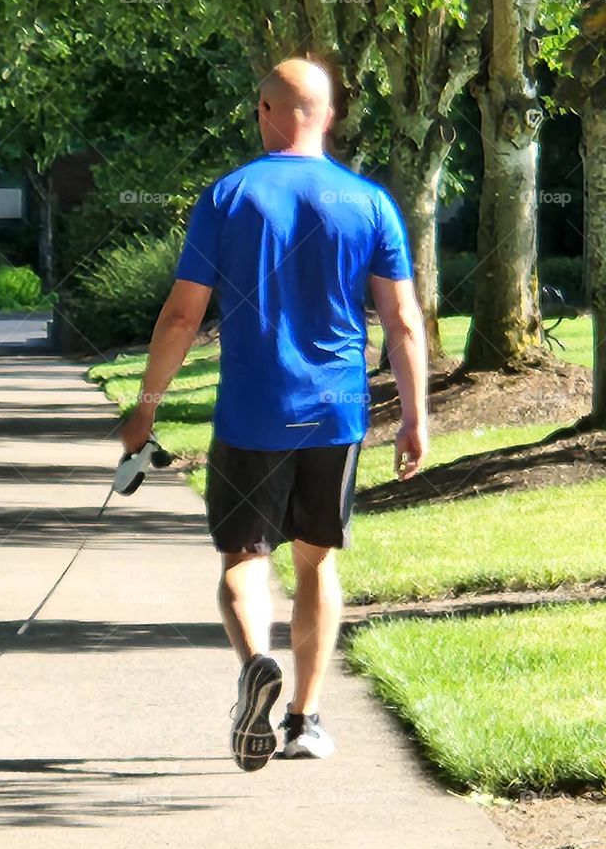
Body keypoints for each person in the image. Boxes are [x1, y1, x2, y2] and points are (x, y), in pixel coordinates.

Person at [119, 58, 428, 772]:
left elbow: (180, 317)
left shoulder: (229, 196)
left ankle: (257, 661)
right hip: (337, 413)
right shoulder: (370, 202)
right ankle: (306, 720)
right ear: (327, 116)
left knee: (244, 559)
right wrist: (414, 416)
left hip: (254, 411)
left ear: (264, 113)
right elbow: (403, 321)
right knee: (316, 564)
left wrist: (146, 408)